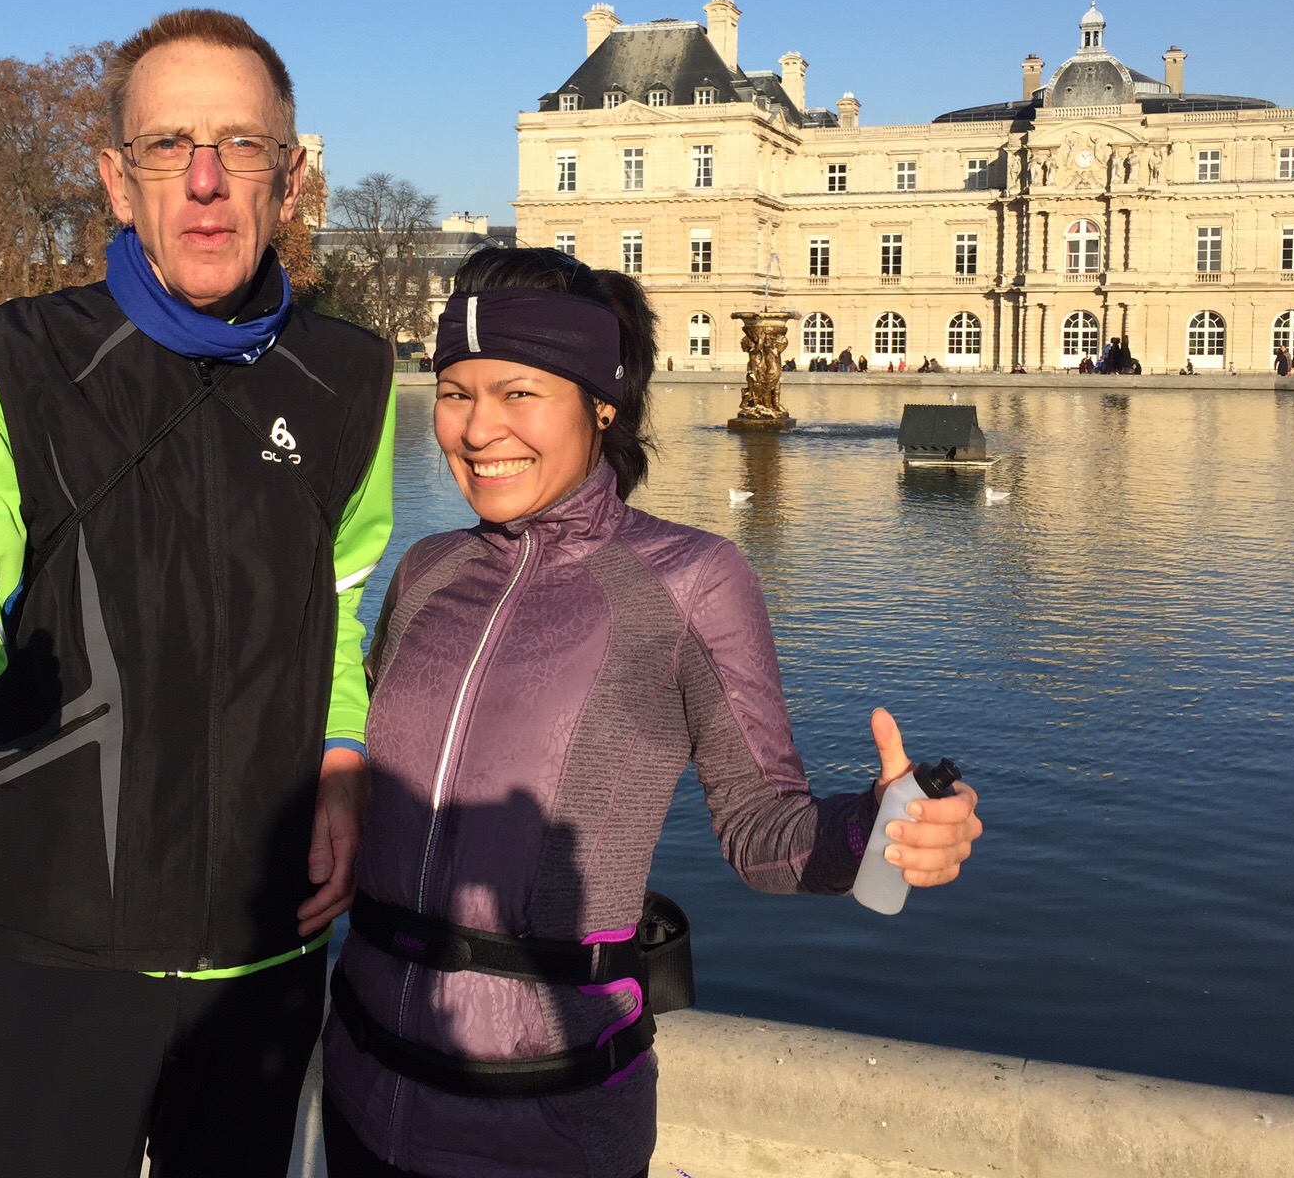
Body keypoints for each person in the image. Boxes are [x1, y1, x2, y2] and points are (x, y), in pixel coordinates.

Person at [0, 9, 395, 1178]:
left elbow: (339, 614)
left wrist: (344, 762)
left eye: (241, 145)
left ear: (290, 178)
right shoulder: (4, 364)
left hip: (263, 954)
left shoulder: (353, 377)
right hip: (53, 954)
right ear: (116, 179)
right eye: (166, 147)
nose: (205, 180)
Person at [320, 248, 982, 1178]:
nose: (476, 429)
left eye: (517, 393)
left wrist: (874, 828)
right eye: (455, 392)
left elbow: (763, 830)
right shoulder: (428, 571)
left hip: (548, 1129)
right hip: (360, 1092)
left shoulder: (691, 582)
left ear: (602, 402)